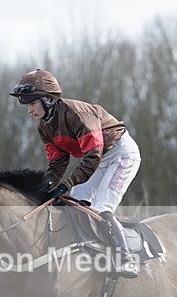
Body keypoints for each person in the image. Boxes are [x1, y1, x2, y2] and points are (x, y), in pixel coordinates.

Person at [9, 68, 142, 276]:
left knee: (100, 209)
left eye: (32, 104)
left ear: (47, 99)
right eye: (27, 105)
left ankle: (126, 259)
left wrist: (67, 183)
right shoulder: (44, 127)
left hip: (121, 153)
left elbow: (93, 156)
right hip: (100, 159)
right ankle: (85, 253)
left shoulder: (77, 114)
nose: (29, 110)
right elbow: (57, 163)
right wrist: (48, 184)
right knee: (75, 204)